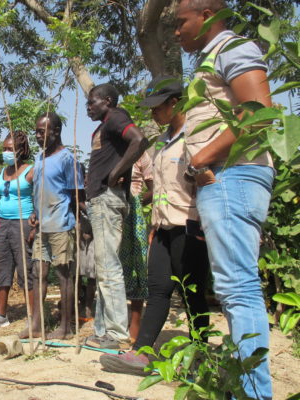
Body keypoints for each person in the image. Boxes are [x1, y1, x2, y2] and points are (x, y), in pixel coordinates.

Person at [176, 0, 275, 397]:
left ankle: (255, 394)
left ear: (207, 16)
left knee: (238, 288)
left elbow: (260, 115)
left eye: (180, 22)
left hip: (231, 174)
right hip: (221, 179)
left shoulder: (233, 48)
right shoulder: (210, 60)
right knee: (233, 287)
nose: (176, 30)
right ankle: (239, 387)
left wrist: (200, 159)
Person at [100, 76, 210, 376]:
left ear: (175, 103)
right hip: (162, 227)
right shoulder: (162, 142)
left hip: (189, 226)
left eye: (157, 108)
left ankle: (201, 354)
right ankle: (141, 353)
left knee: (192, 293)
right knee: (158, 289)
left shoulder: (195, 137)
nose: (153, 114)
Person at [84, 83, 149, 349]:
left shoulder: (116, 116)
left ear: (108, 101)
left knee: (109, 267)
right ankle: (102, 330)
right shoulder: (104, 125)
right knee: (104, 267)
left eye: (92, 102)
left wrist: (114, 173)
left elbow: (140, 139)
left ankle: (116, 334)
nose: (88, 107)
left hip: (107, 199)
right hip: (100, 201)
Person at [19, 112, 85, 340]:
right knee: (39, 274)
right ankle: (37, 325)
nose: (37, 136)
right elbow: (39, 190)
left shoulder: (68, 159)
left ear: (55, 131)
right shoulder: (39, 158)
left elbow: (77, 194)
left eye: (41, 131)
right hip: (42, 226)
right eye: (36, 131)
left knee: (64, 275)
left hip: (61, 225)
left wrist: (80, 225)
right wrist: (35, 216)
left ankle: (66, 327)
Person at [0, 131, 34, 329]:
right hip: (1, 225)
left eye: (10, 149)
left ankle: (32, 317)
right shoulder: (1, 173)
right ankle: (1, 315)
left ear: (21, 150)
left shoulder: (31, 171)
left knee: (26, 270)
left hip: (23, 224)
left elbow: (39, 198)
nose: (6, 152)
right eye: (4, 149)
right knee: (0, 269)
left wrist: (34, 224)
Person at [119, 155, 152, 341]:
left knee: (136, 269)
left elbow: (154, 190)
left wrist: (135, 205)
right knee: (113, 270)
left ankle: (135, 322)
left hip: (133, 217)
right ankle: (117, 322)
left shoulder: (141, 156)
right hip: (112, 214)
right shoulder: (108, 151)